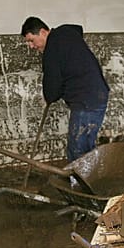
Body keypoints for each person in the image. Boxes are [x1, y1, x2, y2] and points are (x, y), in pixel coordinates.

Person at [21, 17, 110, 162]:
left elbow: (52, 90)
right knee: (85, 145)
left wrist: (48, 98)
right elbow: (77, 30)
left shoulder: (52, 49)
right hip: (98, 94)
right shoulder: (67, 32)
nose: (31, 46)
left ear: (43, 32)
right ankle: (89, 178)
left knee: (78, 149)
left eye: (31, 40)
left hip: (85, 100)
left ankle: (79, 183)